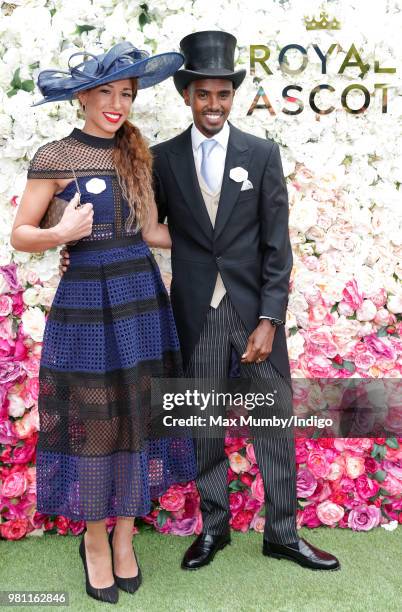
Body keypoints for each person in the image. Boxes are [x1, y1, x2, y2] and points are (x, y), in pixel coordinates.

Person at [60, 32, 340, 572]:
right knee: (204, 425)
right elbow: (139, 222)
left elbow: (276, 247)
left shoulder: (261, 154)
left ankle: (284, 534)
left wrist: (269, 319)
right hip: (197, 314)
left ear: (233, 96)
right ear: (187, 96)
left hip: (252, 314)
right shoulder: (160, 159)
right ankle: (215, 530)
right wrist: (76, 247)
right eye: (203, 95)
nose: (214, 105)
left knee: (274, 423)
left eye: (223, 95)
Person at [11, 41, 196, 604]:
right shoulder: (56, 154)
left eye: (127, 94)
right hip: (87, 307)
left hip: (141, 297)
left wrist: (224, 245)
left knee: (137, 416)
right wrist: (59, 237)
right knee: (94, 423)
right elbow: (21, 235)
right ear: (83, 96)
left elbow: (151, 234)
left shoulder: (137, 155)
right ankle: (93, 540)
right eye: (107, 92)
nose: (117, 104)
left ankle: (123, 538)